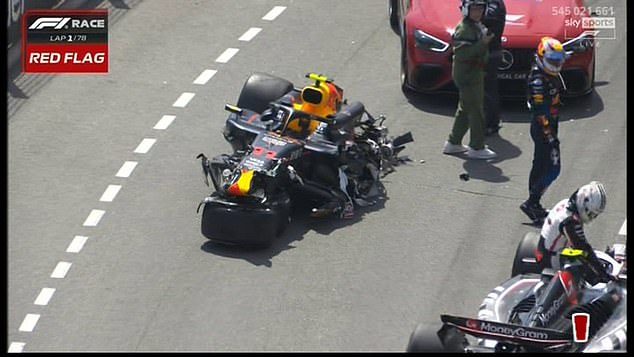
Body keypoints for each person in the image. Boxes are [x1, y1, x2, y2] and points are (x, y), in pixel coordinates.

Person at [520, 37, 567, 223]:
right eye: (553, 60)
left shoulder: (548, 74)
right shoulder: (538, 80)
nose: (556, 64)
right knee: (554, 168)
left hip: (548, 125)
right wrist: (549, 134)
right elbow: (539, 110)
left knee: (540, 164)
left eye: (559, 60)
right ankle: (532, 202)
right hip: (543, 128)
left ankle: (534, 203)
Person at [442, 0, 497, 160]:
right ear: (466, 10)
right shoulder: (465, 29)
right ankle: (476, 146)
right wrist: (483, 43)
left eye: (480, 8)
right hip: (468, 74)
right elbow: (463, 54)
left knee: (465, 108)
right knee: (476, 111)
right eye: (474, 9)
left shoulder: (475, 25)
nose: (478, 12)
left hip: (474, 72)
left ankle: (453, 142)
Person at [535, 181, 614, 285]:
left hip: (548, 249)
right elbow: (584, 248)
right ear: (583, 202)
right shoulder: (570, 221)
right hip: (551, 259)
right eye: (590, 213)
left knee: (589, 258)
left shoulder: (565, 203)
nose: (592, 217)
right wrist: (603, 274)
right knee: (593, 279)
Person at [482, 0, 506, 136]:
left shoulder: (494, 4)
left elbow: (489, 17)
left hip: (490, 52)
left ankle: (490, 124)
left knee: (488, 90)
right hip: (484, 52)